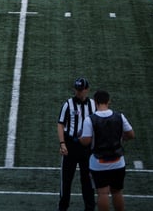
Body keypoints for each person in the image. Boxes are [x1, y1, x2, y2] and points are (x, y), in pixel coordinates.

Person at [80, 90, 135, 211]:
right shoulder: (119, 116)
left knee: (103, 193)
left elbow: (86, 141)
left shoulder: (90, 119)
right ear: (108, 101)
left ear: (95, 102)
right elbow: (131, 134)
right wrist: (122, 138)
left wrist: (80, 138)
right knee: (117, 192)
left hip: (99, 163)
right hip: (118, 161)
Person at [57, 77, 96, 211]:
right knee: (66, 180)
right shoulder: (68, 104)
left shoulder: (93, 105)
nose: (79, 92)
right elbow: (61, 124)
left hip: (87, 147)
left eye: (81, 90)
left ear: (87, 90)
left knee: (87, 180)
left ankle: (89, 208)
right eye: (77, 90)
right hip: (71, 145)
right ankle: (63, 207)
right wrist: (62, 143)